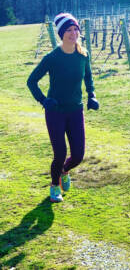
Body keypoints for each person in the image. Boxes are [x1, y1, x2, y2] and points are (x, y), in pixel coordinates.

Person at [27, 13, 99, 203]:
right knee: (60, 153)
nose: (73, 33)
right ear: (61, 33)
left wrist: (91, 95)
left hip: (76, 110)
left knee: (78, 155)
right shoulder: (52, 58)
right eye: (68, 30)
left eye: (75, 29)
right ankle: (54, 186)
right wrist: (43, 100)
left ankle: (64, 171)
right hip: (55, 112)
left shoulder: (83, 55)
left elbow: (88, 77)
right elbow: (31, 81)